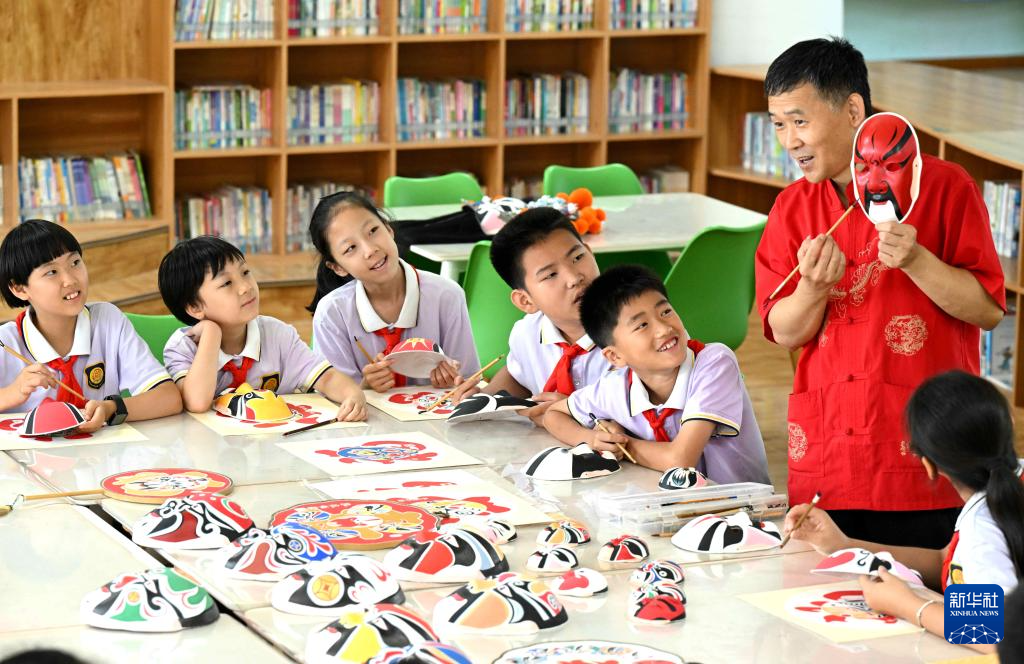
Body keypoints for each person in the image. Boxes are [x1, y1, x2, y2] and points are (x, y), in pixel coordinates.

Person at [755, 37, 1004, 546]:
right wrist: (812, 289)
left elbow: (987, 310)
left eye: (800, 121)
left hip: (930, 458)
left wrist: (917, 261)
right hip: (829, 456)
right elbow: (783, 331)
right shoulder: (791, 207)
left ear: (853, 110)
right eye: (779, 124)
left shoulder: (946, 186)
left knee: (951, 589)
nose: (790, 141)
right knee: (828, 590)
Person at [785, 371, 1023, 654]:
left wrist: (908, 606)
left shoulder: (981, 525)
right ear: (1008, 424)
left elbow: (995, 634)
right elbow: (946, 560)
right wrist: (844, 545)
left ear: (928, 464)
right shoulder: (997, 498)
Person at [545, 265, 770, 481]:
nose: (664, 328)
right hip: (664, 503)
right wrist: (594, 438)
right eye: (642, 325)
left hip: (739, 504)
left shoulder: (714, 362)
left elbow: (680, 461)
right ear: (615, 356)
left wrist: (623, 444)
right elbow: (553, 415)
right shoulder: (615, 387)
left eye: (665, 312)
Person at [159, 236, 365, 420]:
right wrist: (212, 334)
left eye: (245, 272)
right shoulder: (183, 348)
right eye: (227, 283)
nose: (246, 287)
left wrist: (353, 394)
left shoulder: (277, 335)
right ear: (195, 307)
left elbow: (326, 378)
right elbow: (196, 402)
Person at [0, 220, 181, 429]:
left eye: (75, 263)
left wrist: (111, 409)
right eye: (51, 272)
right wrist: (12, 393)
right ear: (19, 288)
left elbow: (169, 398)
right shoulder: (5, 342)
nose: (70, 280)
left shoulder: (108, 320)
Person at [308, 192, 479, 392]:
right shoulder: (331, 313)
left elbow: (469, 381)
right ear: (337, 267)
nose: (370, 250)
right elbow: (333, 396)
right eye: (350, 248)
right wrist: (364, 387)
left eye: (373, 231)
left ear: (388, 229)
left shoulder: (447, 296)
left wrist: (454, 381)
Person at [458, 207, 610, 425]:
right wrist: (483, 399)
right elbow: (517, 376)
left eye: (578, 257)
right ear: (525, 301)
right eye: (551, 275)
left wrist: (574, 409)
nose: (574, 278)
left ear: (590, 252)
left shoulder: (634, 329)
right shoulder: (528, 332)